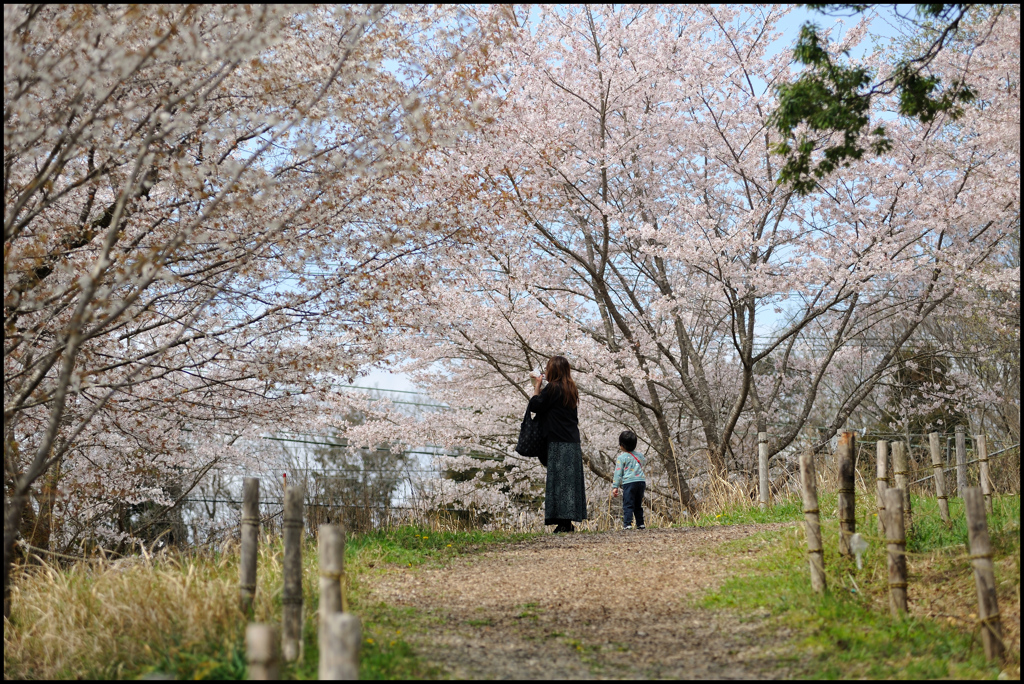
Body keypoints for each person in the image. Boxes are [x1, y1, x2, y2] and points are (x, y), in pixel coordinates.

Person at [529, 355, 586, 533]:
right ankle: (567, 522)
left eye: (547, 368)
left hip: (557, 441)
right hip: (572, 441)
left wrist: (537, 386)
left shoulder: (552, 388)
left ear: (553, 370)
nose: (545, 371)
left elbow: (535, 405)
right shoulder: (571, 388)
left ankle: (563, 524)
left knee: (559, 483)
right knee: (569, 482)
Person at [611, 430, 646, 530]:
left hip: (629, 482)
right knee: (638, 504)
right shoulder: (640, 456)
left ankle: (627, 524)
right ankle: (640, 523)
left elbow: (618, 473)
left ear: (621, 445)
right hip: (641, 481)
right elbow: (643, 463)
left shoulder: (621, 458)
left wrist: (615, 486)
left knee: (628, 503)